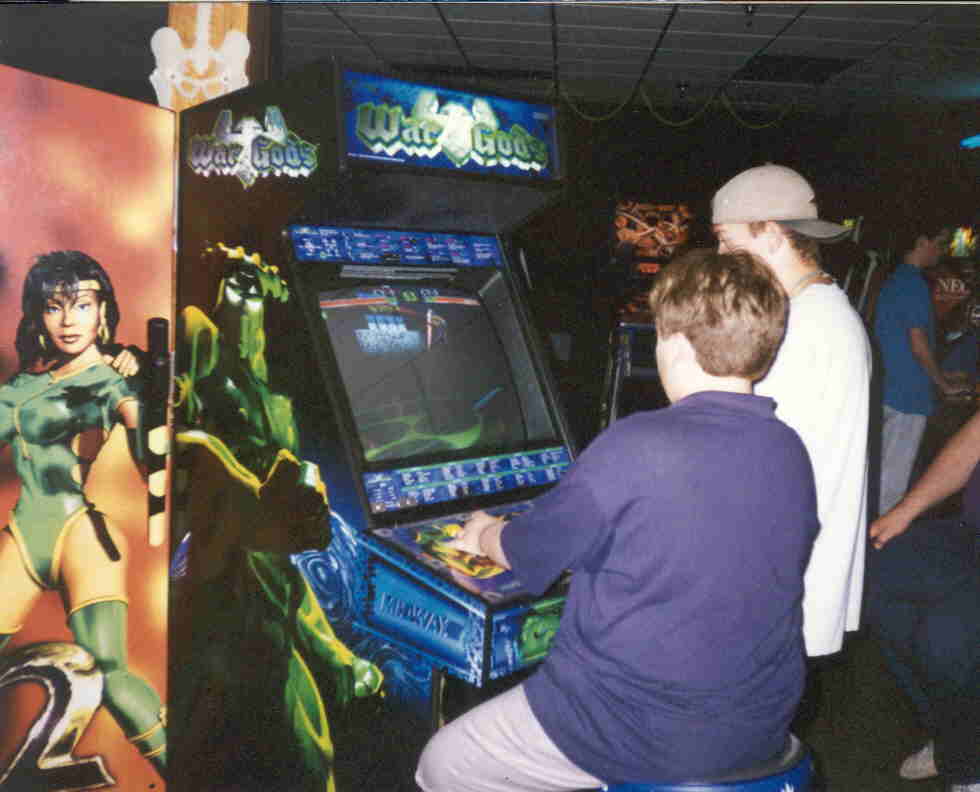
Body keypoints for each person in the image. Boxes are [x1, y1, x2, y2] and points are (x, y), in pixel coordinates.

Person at [415, 249, 819, 792]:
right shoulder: (788, 448)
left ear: (675, 345)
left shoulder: (637, 445)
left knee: (443, 762)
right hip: (758, 724)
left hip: (634, 729)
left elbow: (526, 552)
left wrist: (484, 530)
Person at [0, 250, 166, 774]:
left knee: (111, 675)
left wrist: (148, 386)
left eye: (82, 305)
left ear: (103, 311)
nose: (69, 320)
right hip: (25, 535)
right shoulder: (19, 390)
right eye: (55, 306)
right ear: (38, 315)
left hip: (82, 537)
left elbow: (147, 447)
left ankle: (177, 768)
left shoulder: (113, 379)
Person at [711, 163, 871, 659]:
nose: (722, 257)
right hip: (789, 567)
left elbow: (758, 463)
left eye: (728, 241)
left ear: (773, 234)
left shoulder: (807, 326)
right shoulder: (812, 310)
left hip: (780, 575)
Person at [867, 410, 980, 792]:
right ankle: (955, 736)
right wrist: (905, 510)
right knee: (874, 574)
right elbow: (973, 441)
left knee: (945, 639)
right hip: (969, 533)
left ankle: (967, 769)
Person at [872, 227, 966, 516]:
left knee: (879, 475)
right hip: (908, 394)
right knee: (891, 486)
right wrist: (943, 384)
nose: (942, 250)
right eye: (940, 243)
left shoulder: (897, 280)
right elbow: (918, 344)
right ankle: (878, 536)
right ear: (922, 241)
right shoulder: (914, 284)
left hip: (890, 386)